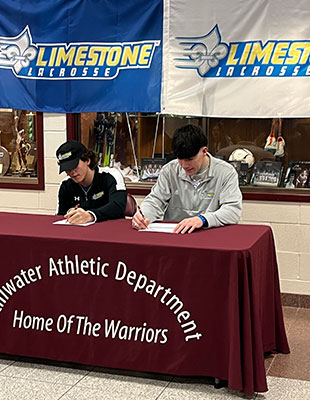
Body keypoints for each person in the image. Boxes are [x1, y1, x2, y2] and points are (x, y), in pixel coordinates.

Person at [132, 124, 242, 234]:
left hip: (209, 235)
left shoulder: (226, 172)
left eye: (190, 159)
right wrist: (143, 216)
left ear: (204, 151)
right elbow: (155, 200)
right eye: (180, 159)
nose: (184, 165)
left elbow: (232, 211)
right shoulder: (170, 170)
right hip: (175, 235)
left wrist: (202, 219)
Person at [56, 140, 127, 224]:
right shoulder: (65, 185)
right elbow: (60, 216)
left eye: (74, 166)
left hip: (110, 231)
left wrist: (90, 215)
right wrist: (69, 213)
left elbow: (118, 206)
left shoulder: (111, 176)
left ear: (87, 160)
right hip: (78, 233)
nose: (71, 172)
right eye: (67, 169)